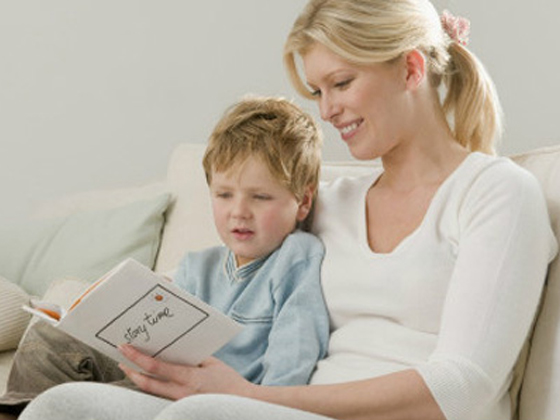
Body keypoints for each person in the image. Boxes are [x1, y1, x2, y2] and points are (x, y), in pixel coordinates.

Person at [17, 1, 558, 420]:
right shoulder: (330, 202)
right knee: (62, 407)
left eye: (341, 83)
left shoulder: (496, 192)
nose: (327, 110)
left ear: (411, 70)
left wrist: (253, 397)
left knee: (203, 415)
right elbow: (229, 276)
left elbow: (463, 387)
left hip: (334, 411)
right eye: (317, 91)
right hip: (278, 410)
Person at [0, 96, 329, 418]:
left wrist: (262, 405)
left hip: (209, 400)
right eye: (224, 195)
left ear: (303, 202)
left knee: (75, 401)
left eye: (260, 197)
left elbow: (294, 355)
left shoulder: (295, 257)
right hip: (153, 374)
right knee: (49, 337)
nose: (239, 211)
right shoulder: (197, 266)